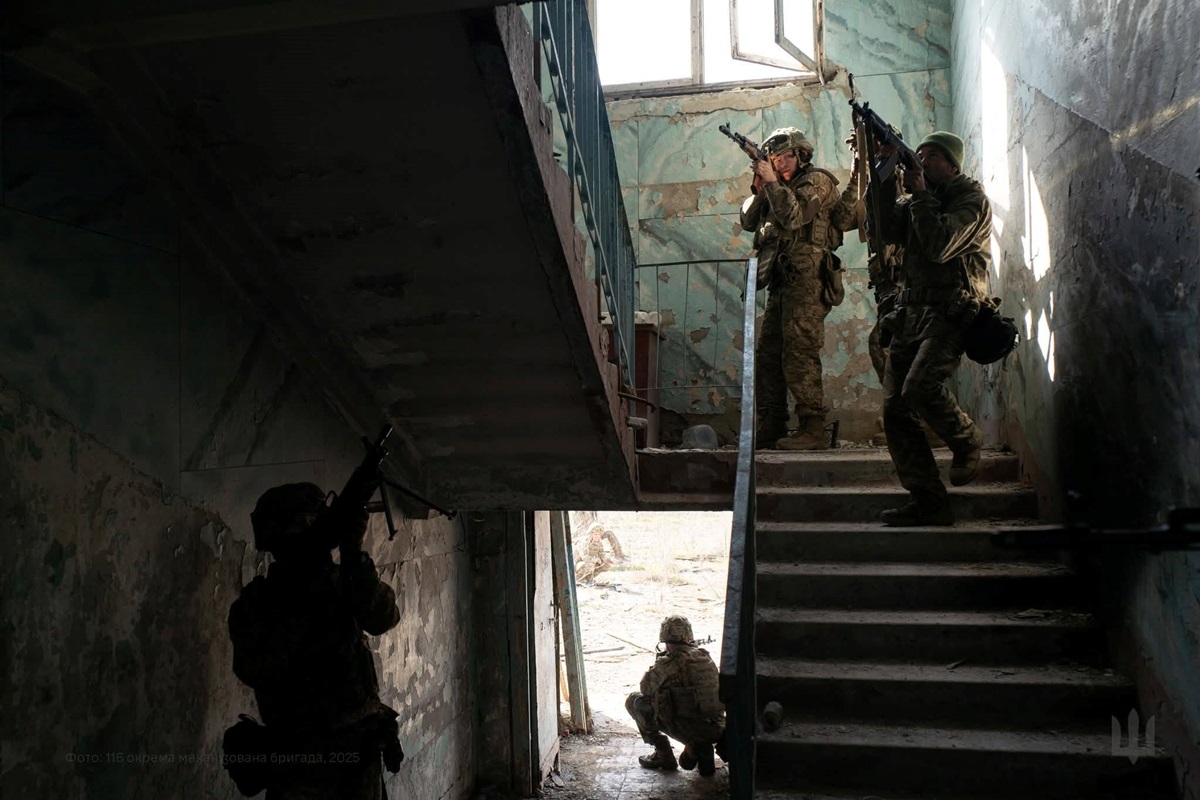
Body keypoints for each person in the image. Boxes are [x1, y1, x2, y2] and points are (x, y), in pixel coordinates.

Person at [227, 482, 404, 799]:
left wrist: (354, 556)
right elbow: (254, 670)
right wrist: (305, 598)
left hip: (359, 758)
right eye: (314, 522)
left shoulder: (341, 581)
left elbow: (384, 617)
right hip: (303, 766)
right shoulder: (259, 602)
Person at [869, 131, 989, 526]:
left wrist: (920, 193)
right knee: (895, 411)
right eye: (918, 155)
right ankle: (928, 501)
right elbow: (882, 228)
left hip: (952, 311)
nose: (922, 161)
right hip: (910, 313)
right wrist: (883, 173)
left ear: (952, 164)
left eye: (932, 156)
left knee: (919, 387)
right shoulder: (914, 202)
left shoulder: (971, 200)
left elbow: (940, 246)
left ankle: (966, 438)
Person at [740, 126, 846, 450]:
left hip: (808, 278)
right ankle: (772, 424)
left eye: (785, 156)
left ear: (801, 155)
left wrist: (772, 181)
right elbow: (748, 221)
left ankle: (812, 428)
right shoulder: (775, 188)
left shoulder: (818, 181)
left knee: (800, 351)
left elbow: (794, 217)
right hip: (779, 280)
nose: (779, 163)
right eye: (773, 158)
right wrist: (761, 185)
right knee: (768, 354)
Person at [625, 616, 725, 777]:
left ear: (664, 639)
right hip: (717, 727)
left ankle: (663, 754)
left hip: (688, 728)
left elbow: (646, 688)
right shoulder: (705, 657)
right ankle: (700, 753)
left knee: (635, 701)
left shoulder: (668, 662)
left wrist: (659, 662)